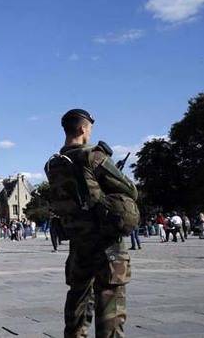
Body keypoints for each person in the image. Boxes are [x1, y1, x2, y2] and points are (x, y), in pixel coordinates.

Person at [44, 109, 136, 337]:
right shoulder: (93, 156)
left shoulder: (53, 165)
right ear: (83, 129)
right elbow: (130, 190)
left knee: (78, 298)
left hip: (78, 241)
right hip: (105, 244)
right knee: (110, 302)